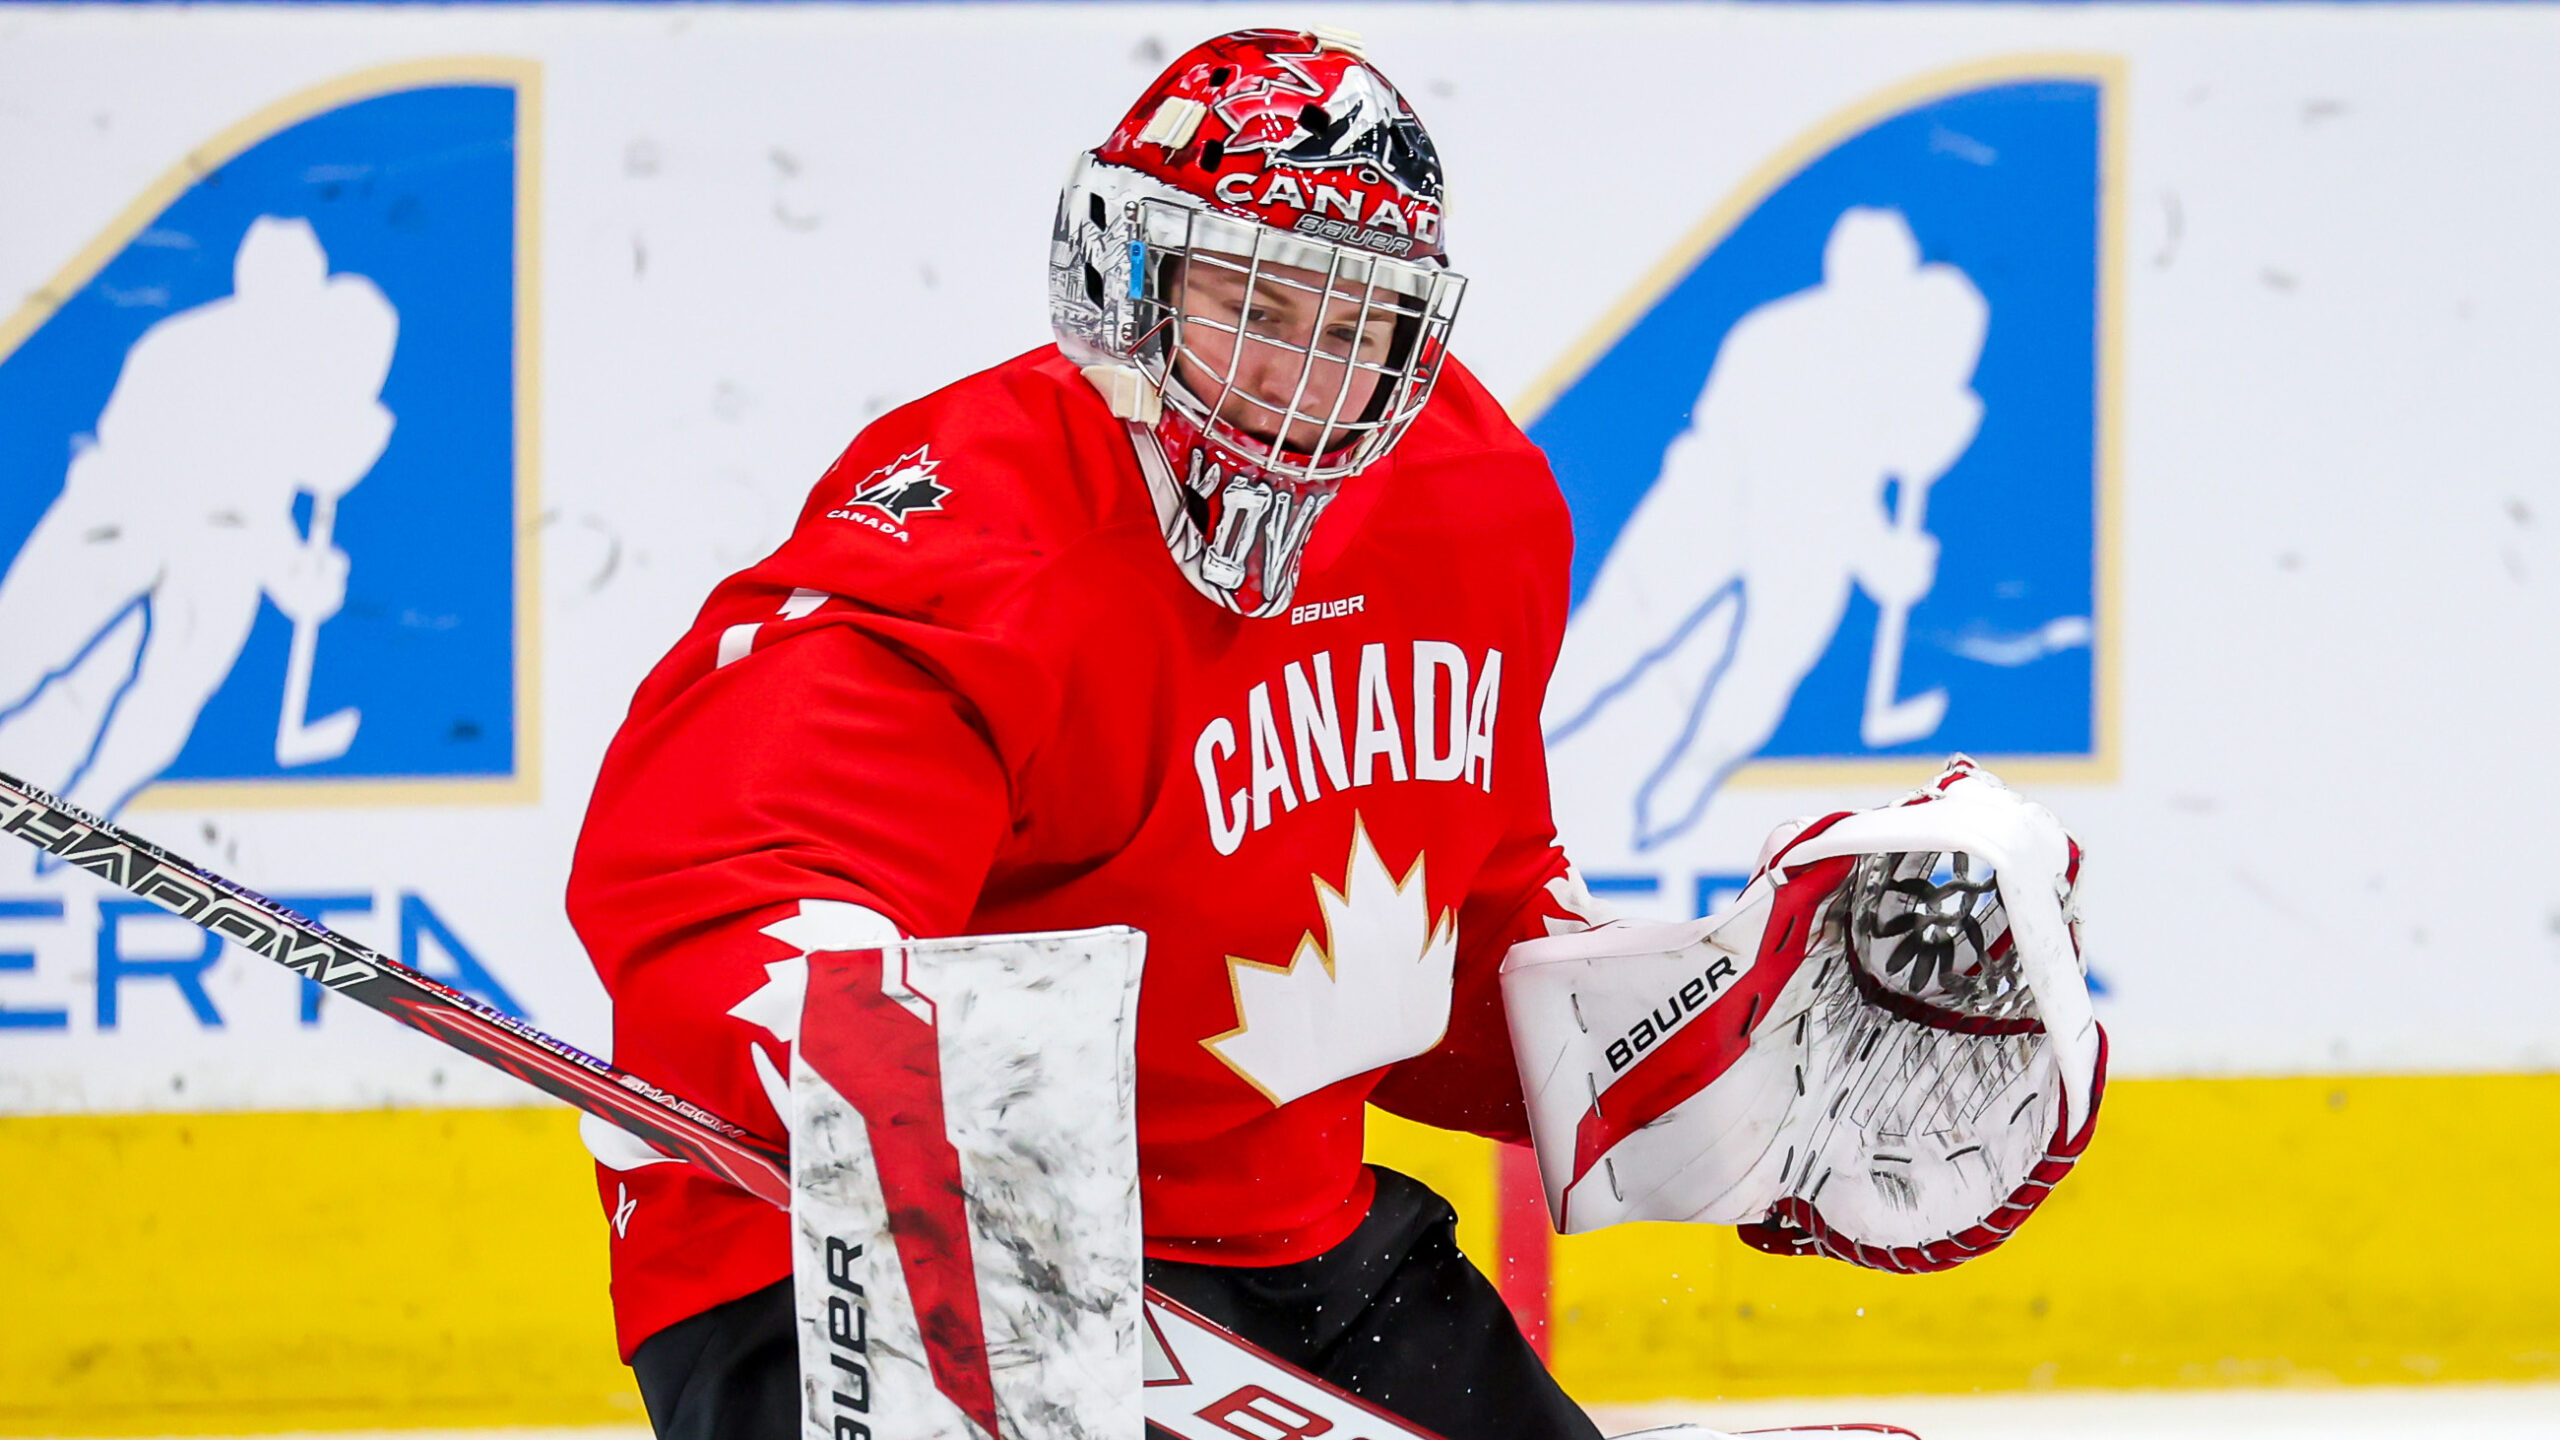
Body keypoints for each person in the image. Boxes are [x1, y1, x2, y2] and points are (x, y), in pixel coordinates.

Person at [568, 29, 1605, 1440]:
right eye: (1254, 302)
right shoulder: (984, 530)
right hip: (835, 1242)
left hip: (1293, 1251)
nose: (1302, 380)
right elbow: (730, 872)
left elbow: (1455, 927)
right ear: (1128, 273)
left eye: (1357, 327)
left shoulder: (1471, 511)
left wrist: (1689, 1055)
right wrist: (906, 1078)